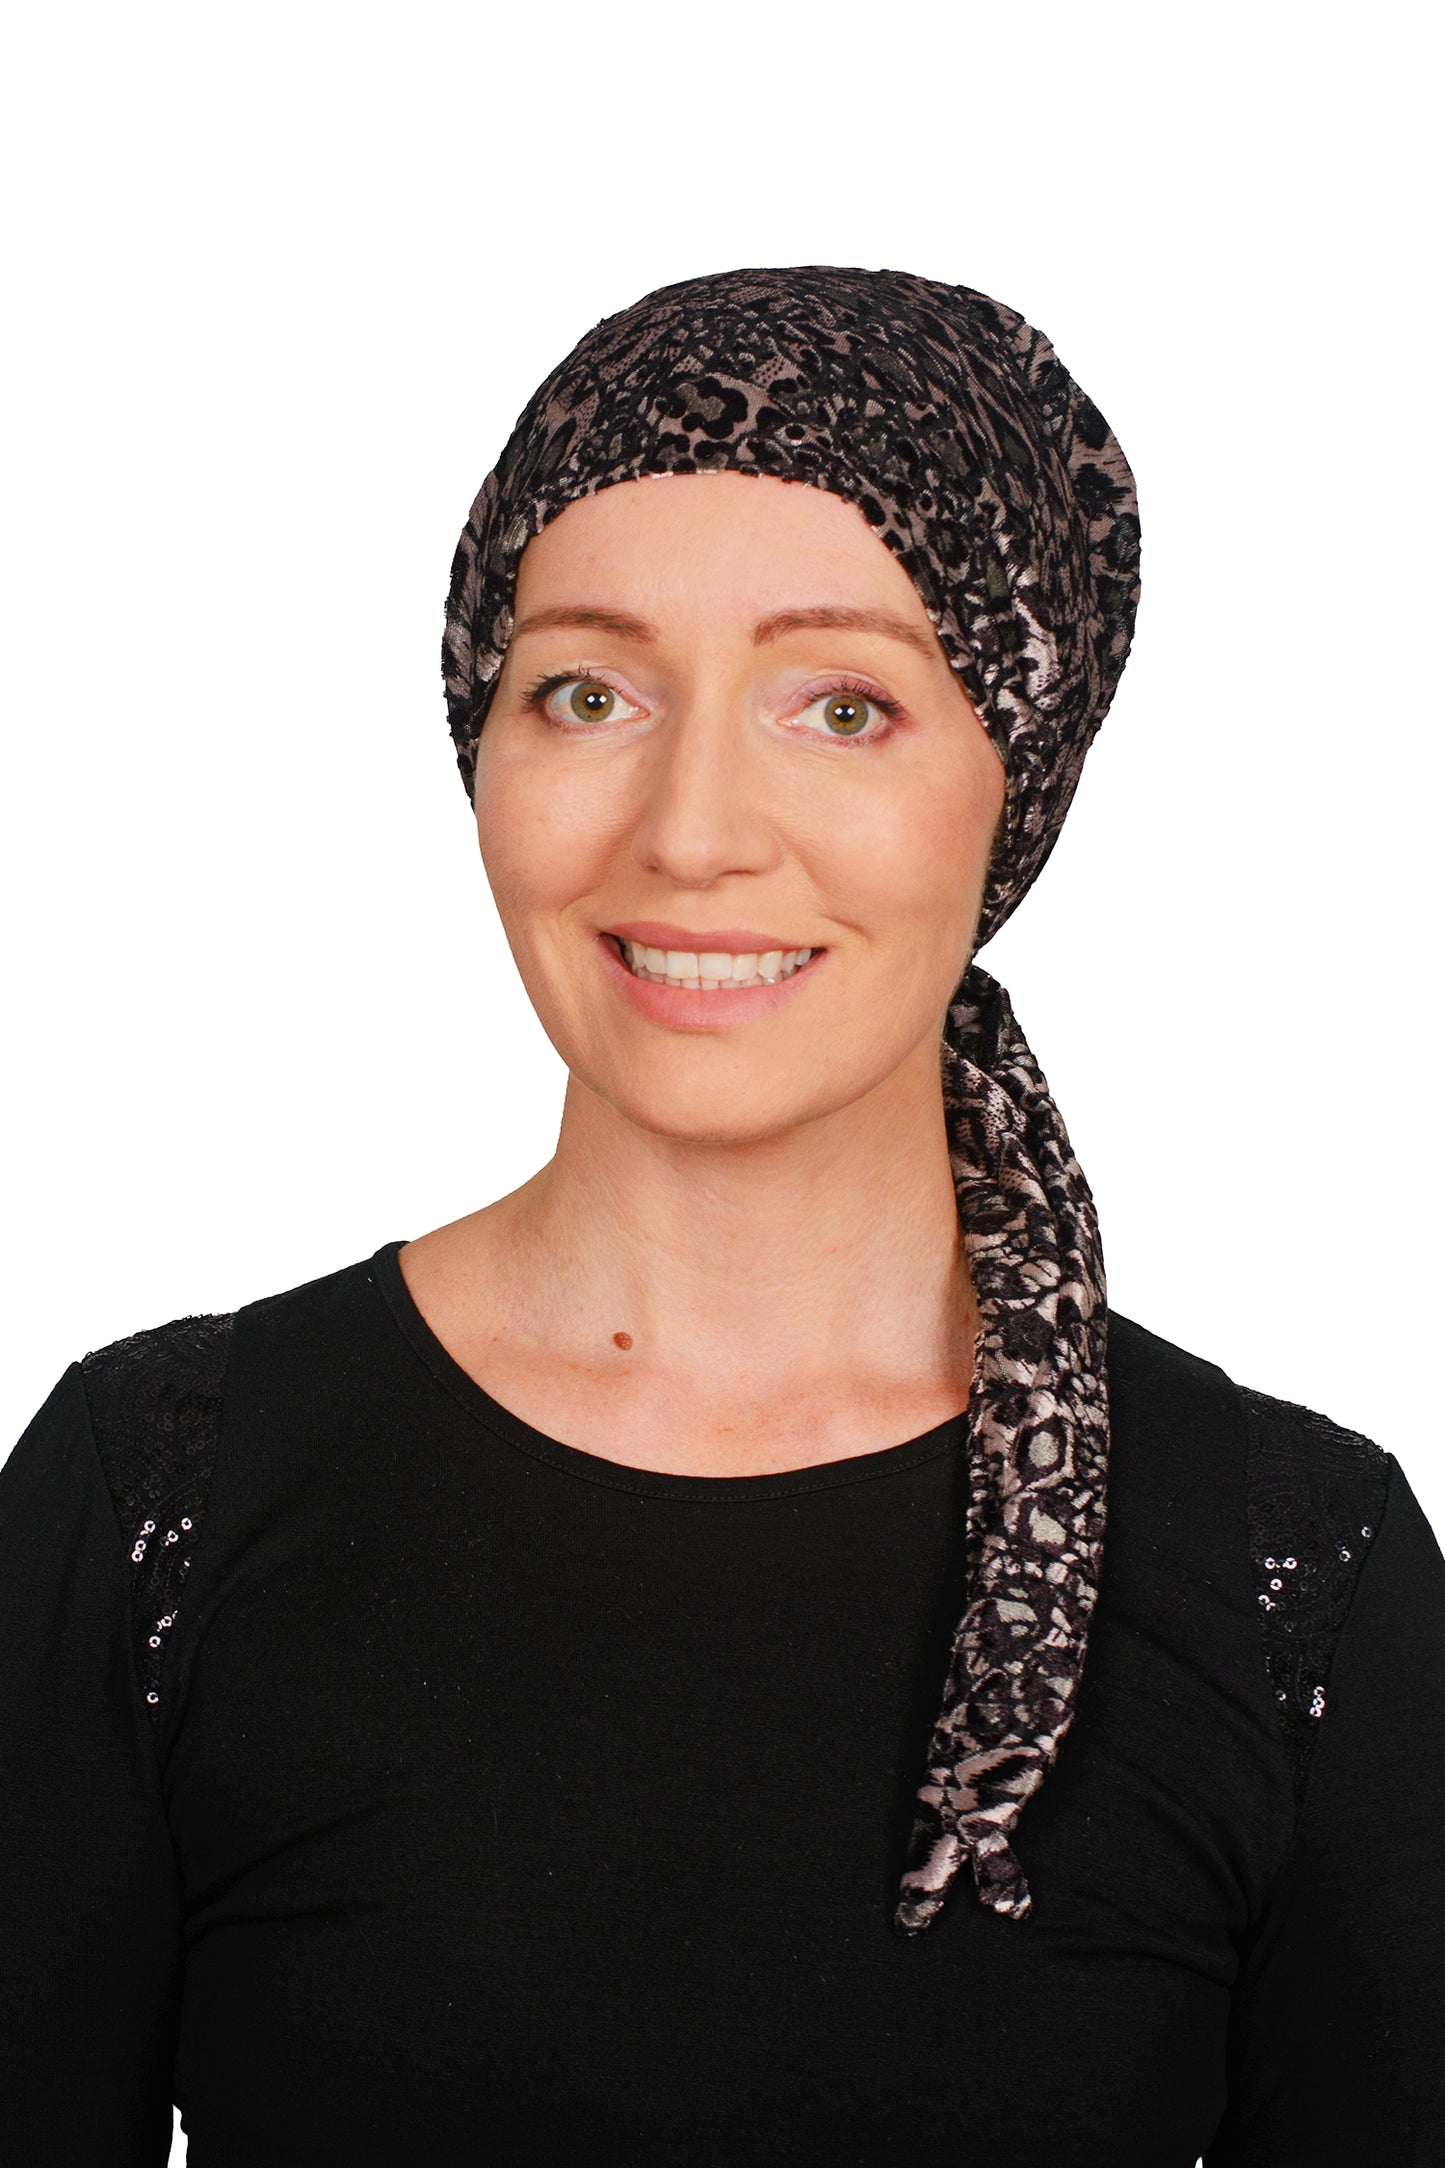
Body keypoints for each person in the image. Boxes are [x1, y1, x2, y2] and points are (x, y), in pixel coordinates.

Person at [2, 267, 1441, 2167]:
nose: (689, 830)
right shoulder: (157, 1498)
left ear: (1015, 777)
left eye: (841, 705)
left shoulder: (1291, 1570)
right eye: (586, 693)